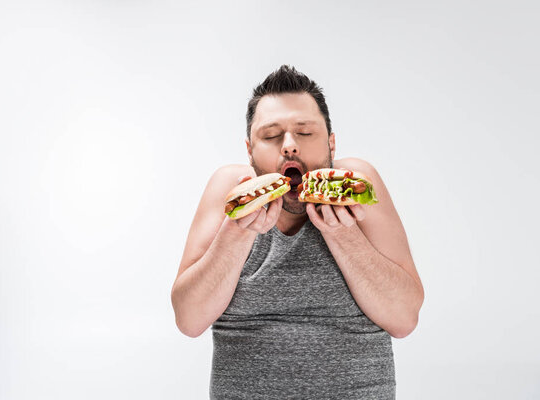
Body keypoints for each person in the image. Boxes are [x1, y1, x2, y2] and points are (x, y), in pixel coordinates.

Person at [171, 65, 424, 399]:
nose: (289, 146)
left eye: (305, 133)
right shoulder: (231, 190)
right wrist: (236, 235)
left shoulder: (356, 184)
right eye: (271, 135)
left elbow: (404, 318)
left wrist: (343, 236)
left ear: (331, 144)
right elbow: (189, 320)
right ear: (249, 150)